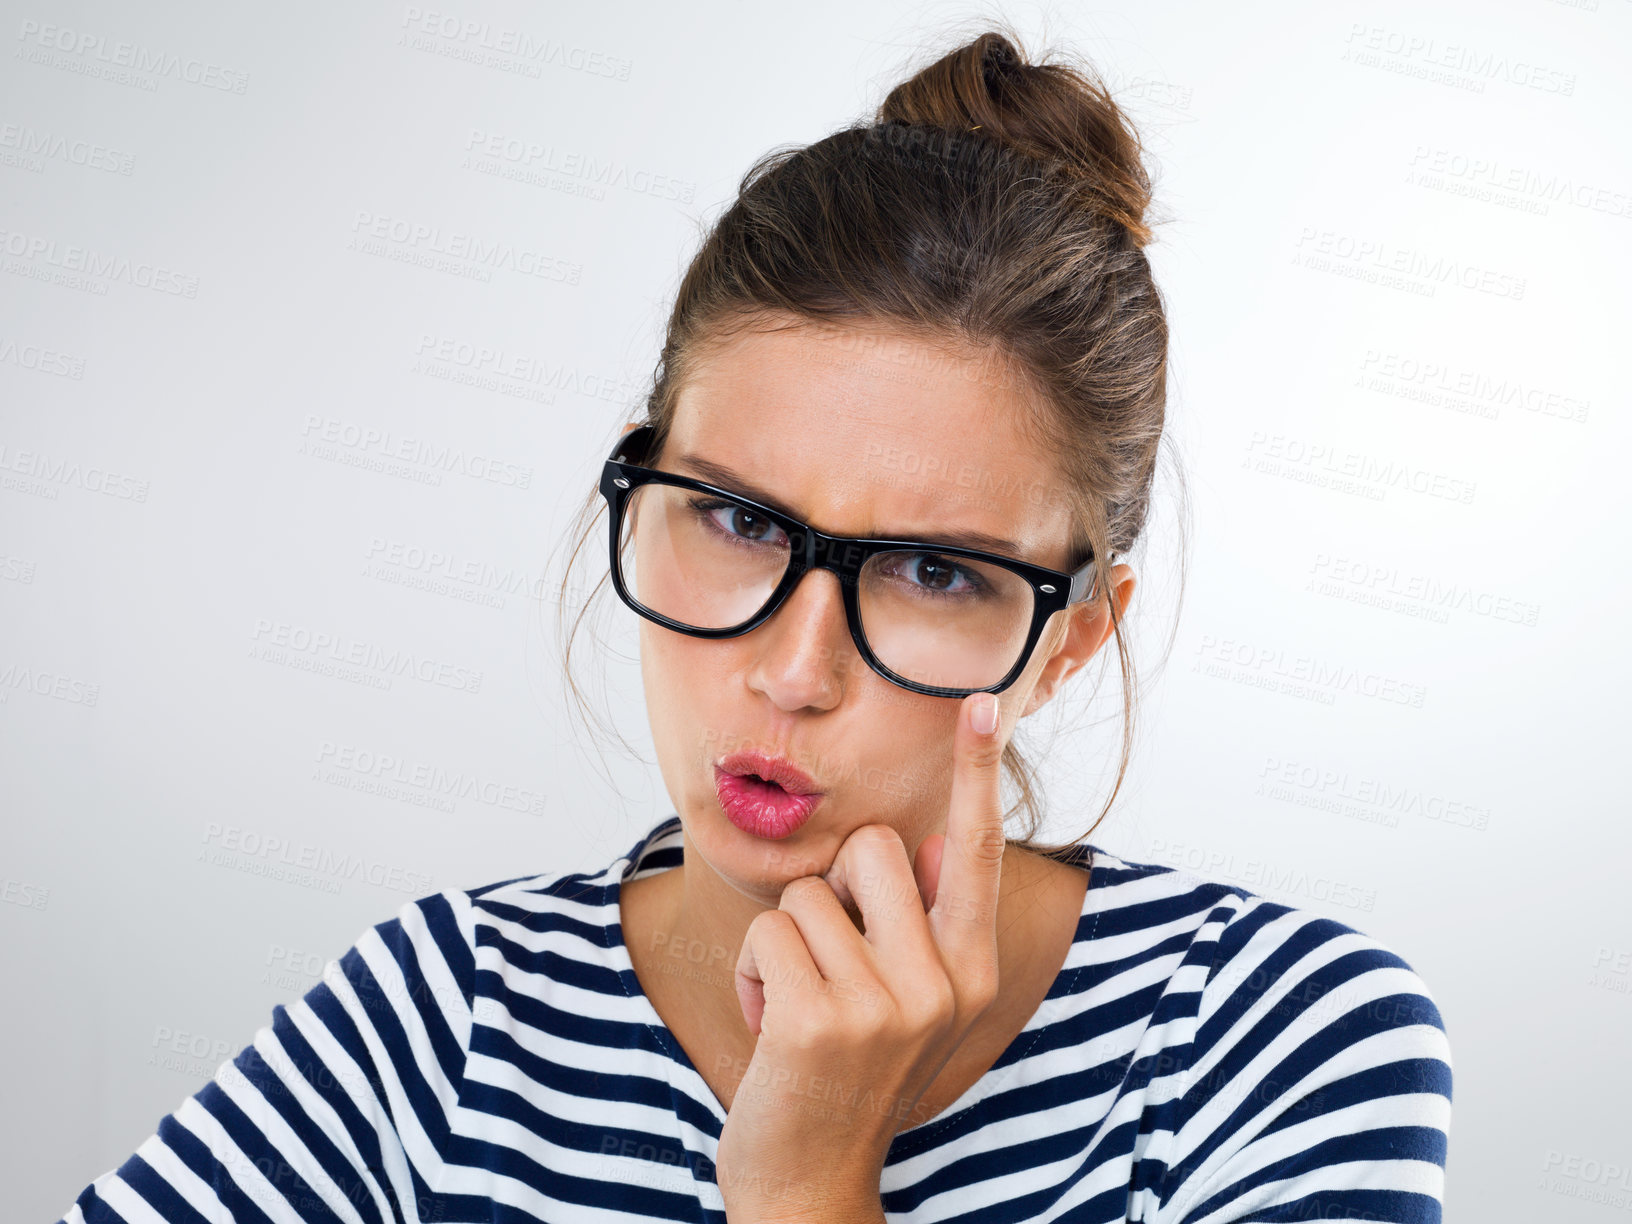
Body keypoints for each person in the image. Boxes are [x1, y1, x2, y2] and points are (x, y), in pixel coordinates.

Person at [55, 26, 1451, 1224]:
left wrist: (809, 1187)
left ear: (1072, 639)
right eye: (736, 522)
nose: (793, 672)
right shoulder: (442, 1017)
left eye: (937, 573)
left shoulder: (1266, 1038)